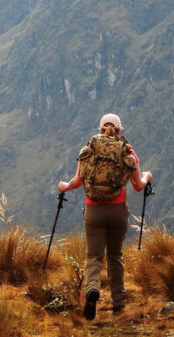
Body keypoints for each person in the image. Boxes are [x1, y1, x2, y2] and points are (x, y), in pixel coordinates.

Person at [58, 113, 153, 320]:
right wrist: (147, 176)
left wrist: (64, 186)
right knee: (115, 256)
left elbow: (76, 181)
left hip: (93, 211)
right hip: (118, 211)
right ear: (119, 130)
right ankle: (119, 303)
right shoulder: (128, 151)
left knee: (93, 256)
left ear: (101, 129)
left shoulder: (89, 150)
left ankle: (92, 290)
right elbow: (138, 186)